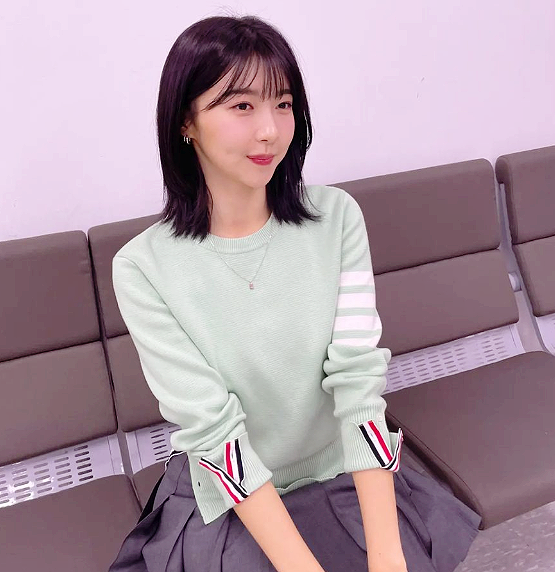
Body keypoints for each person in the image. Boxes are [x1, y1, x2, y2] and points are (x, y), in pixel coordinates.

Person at [108, 14, 481, 572]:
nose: (270, 130)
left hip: (338, 471)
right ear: (186, 120)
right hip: (232, 497)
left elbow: (358, 383)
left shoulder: (337, 218)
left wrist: (387, 555)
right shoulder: (143, 267)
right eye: (242, 106)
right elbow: (215, 434)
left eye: (282, 104)